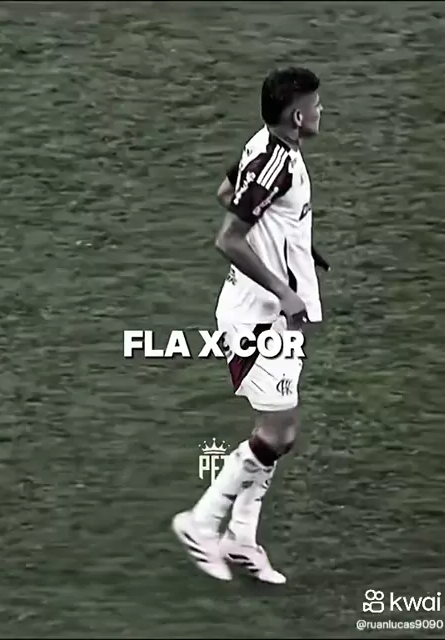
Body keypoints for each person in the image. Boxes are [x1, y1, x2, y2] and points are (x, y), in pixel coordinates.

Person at [172, 66, 330, 583]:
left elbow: (229, 192)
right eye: (316, 105)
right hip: (258, 318)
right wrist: (283, 287)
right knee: (277, 430)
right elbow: (228, 236)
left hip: (274, 315)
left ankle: (241, 538)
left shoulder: (264, 146)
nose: (321, 111)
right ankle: (202, 523)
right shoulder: (275, 164)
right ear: (298, 116)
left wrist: (292, 243)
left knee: (281, 434)